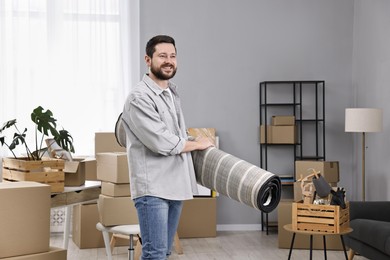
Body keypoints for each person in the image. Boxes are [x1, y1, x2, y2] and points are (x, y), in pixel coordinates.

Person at [121, 35, 214, 259]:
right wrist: (195, 144)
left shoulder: (171, 93)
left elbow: (174, 134)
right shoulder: (139, 97)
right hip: (152, 188)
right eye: (162, 56)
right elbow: (160, 141)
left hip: (174, 185)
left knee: (163, 252)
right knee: (154, 254)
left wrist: (192, 142)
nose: (168, 61)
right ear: (148, 59)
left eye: (172, 56)